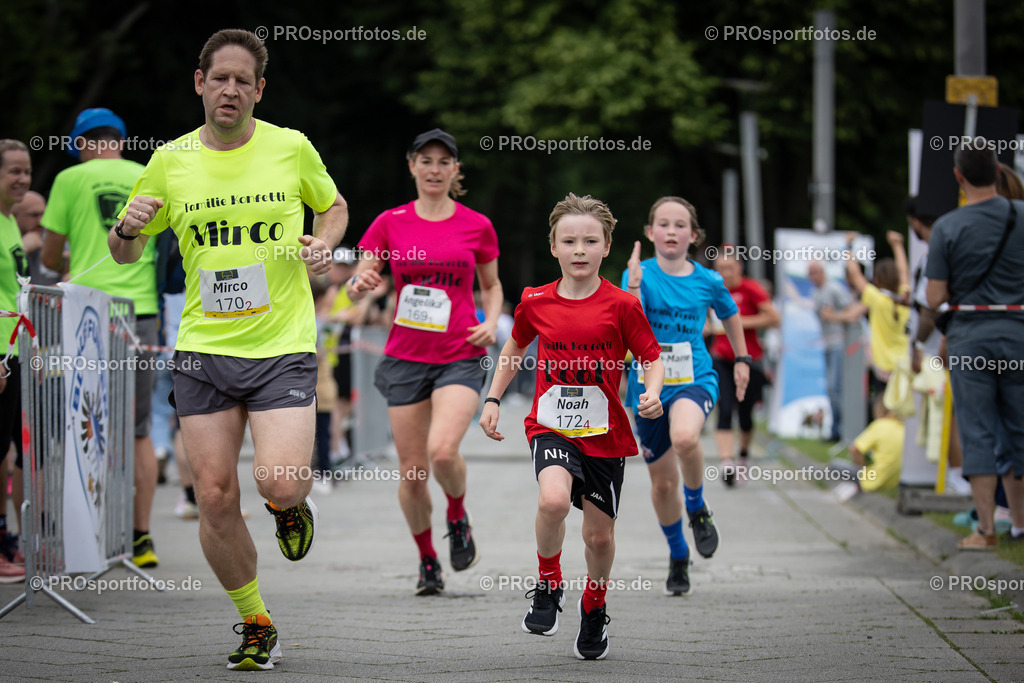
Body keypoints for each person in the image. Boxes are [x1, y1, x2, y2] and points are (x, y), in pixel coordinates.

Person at [108, 29, 348, 670]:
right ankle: (256, 622)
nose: (231, 90)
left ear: (258, 90)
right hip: (204, 348)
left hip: (281, 345)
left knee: (283, 480)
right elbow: (125, 248)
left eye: (244, 80)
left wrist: (324, 242)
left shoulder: (289, 147)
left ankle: (286, 508)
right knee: (213, 497)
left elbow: (334, 206)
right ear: (200, 82)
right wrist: (125, 229)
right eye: (221, 78)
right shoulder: (170, 161)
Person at [480, 192, 664, 660]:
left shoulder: (622, 305)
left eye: (590, 241)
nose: (579, 249)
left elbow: (651, 356)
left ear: (606, 248)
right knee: (554, 499)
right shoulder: (535, 301)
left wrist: (652, 391)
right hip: (552, 425)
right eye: (569, 241)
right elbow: (514, 350)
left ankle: (594, 605)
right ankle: (548, 583)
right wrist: (494, 398)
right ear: (554, 247)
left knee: (598, 537)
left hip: (606, 435)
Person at [347, 128, 502, 595]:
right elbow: (362, 273)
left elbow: (492, 286)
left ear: (455, 170)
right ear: (411, 165)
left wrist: (491, 321)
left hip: (459, 352)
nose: (434, 169)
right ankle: (427, 560)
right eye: (426, 161)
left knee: (442, 452)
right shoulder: (390, 222)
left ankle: (457, 517)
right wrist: (361, 284)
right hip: (405, 357)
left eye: (443, 162)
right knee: (413, 475)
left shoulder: (477, 225)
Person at [40, 107, 163, 568]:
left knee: (82, 418)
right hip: (141, 312)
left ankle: (85, 536)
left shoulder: (71, 180)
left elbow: (51, 255)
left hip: (85, 311)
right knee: (138, 429)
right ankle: (141, 538)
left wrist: (71, 255)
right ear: (118, 140)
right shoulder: (146, 173)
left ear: (82, 143)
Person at [621, 197, 749, 595]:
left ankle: (696, 505)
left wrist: (742, 357)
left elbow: (730, 314)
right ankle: (678, 555)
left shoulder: (708, 281)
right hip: (649, 385)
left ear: (693, 236)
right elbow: (630, 323)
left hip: (695, 378)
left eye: (680, 225)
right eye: (663, 224)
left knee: (686, 437)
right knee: (661, 485)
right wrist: (636, 287)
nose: (672, 231)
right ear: (650, 233)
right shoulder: (635, 275)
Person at [927, 144, 1024, 551]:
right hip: (1019, 333)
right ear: (998, 170)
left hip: (969, 338)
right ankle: (1020, 524)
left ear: (958, 176)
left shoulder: (947, 227)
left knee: (979, 431)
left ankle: (985, 530)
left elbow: (934, 297)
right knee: (1020, 429)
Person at [711, 251, 780, 485]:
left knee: (745, 414)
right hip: (721, 358)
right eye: (720, 267)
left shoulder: (751, 289)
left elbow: (774, 318)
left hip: (750, 359)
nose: (725, 272)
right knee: (725, 407)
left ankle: (742, 456)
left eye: (729, 267)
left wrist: (738, 323)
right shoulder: (713, 289)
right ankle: (726, 463)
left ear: (739, 267)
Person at [0, 139, 30, 584]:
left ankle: (9, 538)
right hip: (0, 355)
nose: (23, 179)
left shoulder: (10, 220)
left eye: (27, 171)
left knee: (13, 453)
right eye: (14, 172)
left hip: (16, 351)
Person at [837, 231, 910, 415]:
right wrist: (897, 245)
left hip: (884, 367)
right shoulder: (903, 299)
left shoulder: (877, 300)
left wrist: (848, 247)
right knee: (900, 413)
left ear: (876, 280)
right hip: (904, 364)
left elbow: (854, 274)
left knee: (882, 411)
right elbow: (903, 272)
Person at [809, 261, 855, 442]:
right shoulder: (817, 293)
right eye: (809, 275)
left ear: (822, 272)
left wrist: (833, 316)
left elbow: (852, 311)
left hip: (840, 343)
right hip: (828, 345)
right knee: (831, 388)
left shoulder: (834, 289)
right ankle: (836, 428)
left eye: (814, 273)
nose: (812, 278)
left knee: (836, 387)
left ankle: (842, 430)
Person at [831, 396, 905, 501]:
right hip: (896, 480)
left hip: (874, 479)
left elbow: (854, 449)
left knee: (835, 464)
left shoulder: (880, 425)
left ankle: (856, 485)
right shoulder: (903, 428)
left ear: (878, 410)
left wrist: (863, 467)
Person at [12, 190, 60, 286]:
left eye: (44, 215)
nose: (41, 221)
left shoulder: (54, 240)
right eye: (34, 215)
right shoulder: (5, 241)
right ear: (14, 216)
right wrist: (22, 249)